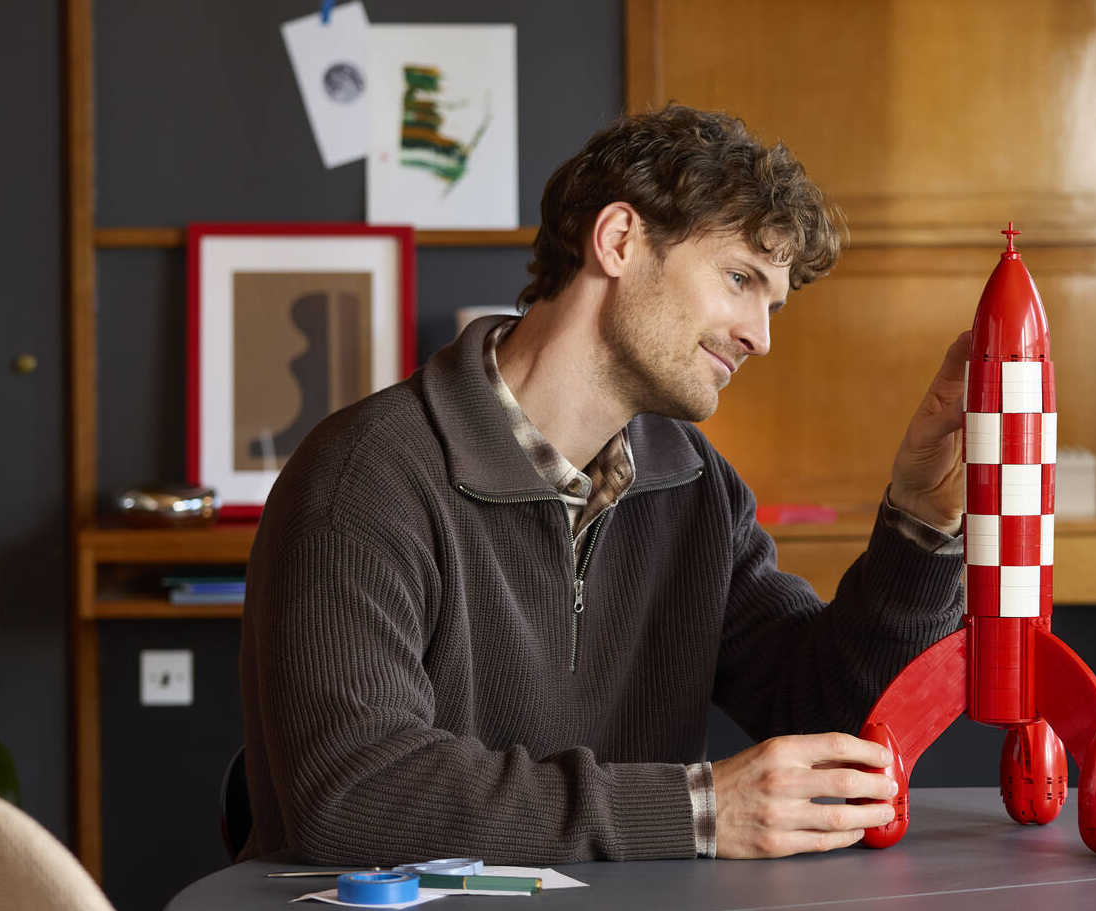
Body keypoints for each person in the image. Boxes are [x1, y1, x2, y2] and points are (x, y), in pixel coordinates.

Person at [239, 105, 970, 865]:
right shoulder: (366, 478)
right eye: (738, 278)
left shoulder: (693, 484)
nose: (761, 335)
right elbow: (355, 797)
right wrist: (696, 811)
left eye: (771, 302)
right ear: (619, 240)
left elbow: (834, 723)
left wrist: (921, 521)